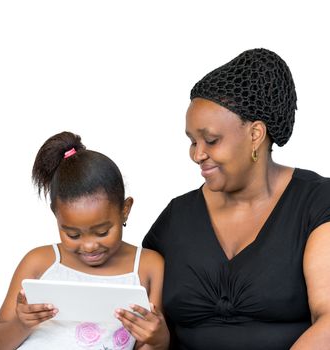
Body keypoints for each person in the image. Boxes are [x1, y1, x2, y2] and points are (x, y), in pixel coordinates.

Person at [141, 48, 330, 349]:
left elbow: (328, 322)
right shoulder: (176, 218)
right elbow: (145, 324)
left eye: (211, 140)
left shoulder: (316, 204)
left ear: (256, 134)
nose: (197, 154)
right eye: (192, 141)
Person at [0, 131, 169, 350]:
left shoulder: (148, 266)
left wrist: (158, 339)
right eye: (73, 235)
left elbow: (150, 343)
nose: (89, 246)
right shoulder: (39, 262)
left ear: (125, 210)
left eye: (102, 232)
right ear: (57, 217)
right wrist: (21, 324)